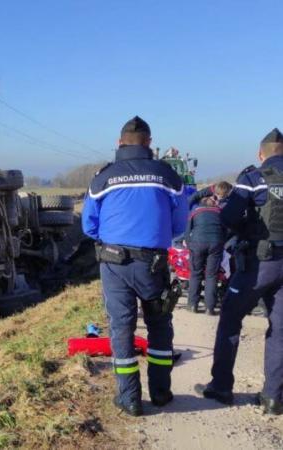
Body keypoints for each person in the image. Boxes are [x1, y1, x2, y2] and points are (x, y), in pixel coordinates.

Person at [82, 116, 188, 416]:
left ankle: (129, 399)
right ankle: (161, 393)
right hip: (152, 265)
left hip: (114, 265)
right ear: (149, 143)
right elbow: (180, 225)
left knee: (121, 328)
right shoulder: (168, 176)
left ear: (119, 143)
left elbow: (89, 226)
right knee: (159, 326)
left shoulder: (103, 178)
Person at [195, 128, 283, 415]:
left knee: (231, 318)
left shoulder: (253, 178)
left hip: (258, 263)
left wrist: (247, 233)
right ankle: (273, 397)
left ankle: (221, 386)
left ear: (261, 154)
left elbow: (230, 216)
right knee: (281, 329)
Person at [184, 196, 226, 315]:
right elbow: (225, 230)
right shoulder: (220, 212)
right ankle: (210, 308)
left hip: (197, 244)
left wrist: (189, 245)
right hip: (215, 244)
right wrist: (221, 242)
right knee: (211, 276)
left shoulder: (195, 212)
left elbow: (187, 231)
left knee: (195, 274)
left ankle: (193, 305)